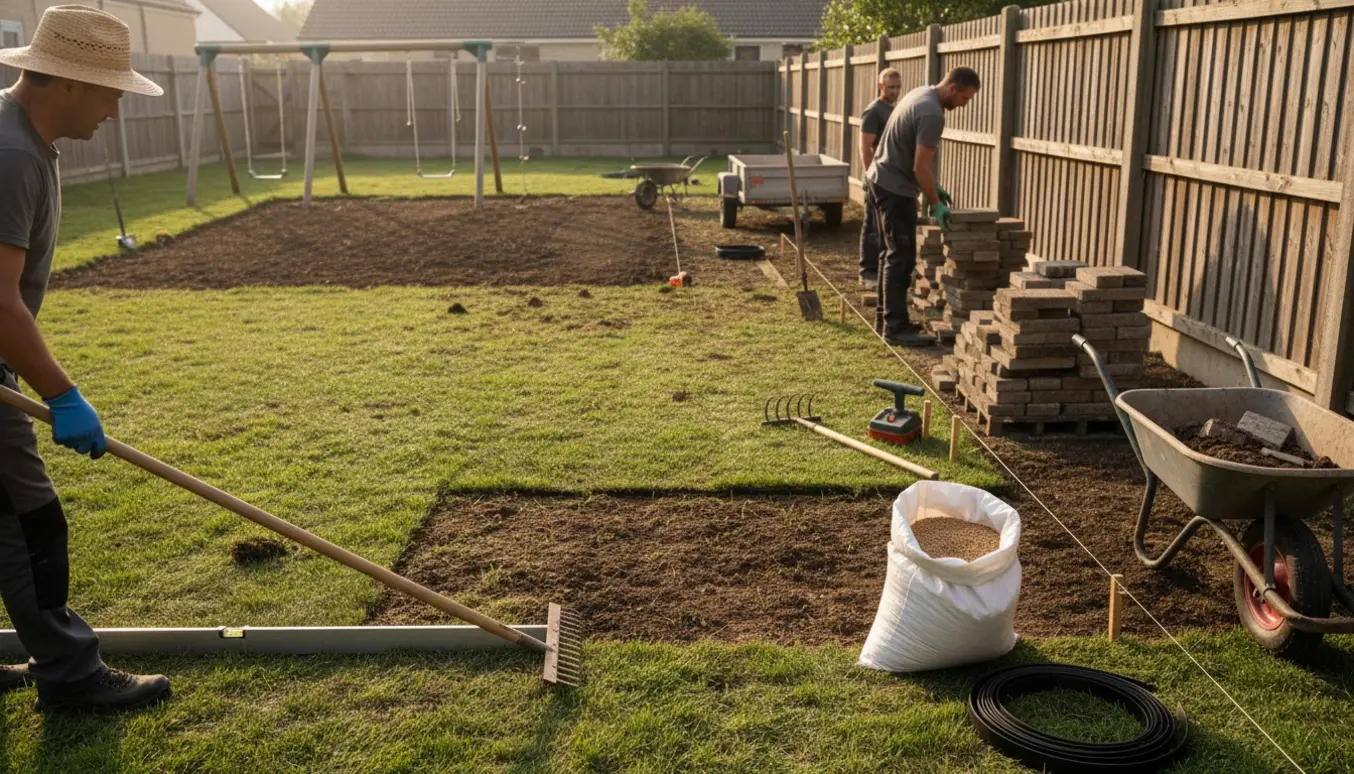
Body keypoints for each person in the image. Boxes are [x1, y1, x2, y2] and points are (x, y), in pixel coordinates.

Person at [0, 5, 172, 712]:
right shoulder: (11, 156)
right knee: (31, 518)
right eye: (110, 93)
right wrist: (63, 394)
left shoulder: (17, 141)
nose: (116, 110)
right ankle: (70, 674)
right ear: (66, 84)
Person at [864, 67, 980, 347]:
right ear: (953, 89)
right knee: (900, 257)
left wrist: (932, 187)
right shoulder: (932, 114)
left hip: (882, 179)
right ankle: (895, 328)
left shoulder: (921, 93)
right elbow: (920, 166)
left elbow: (913, 158)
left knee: (889, 253)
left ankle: (886, 318)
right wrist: (936, 203)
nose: (965, 104)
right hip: (894, 188)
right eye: (965, 98)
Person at [857, 68, 903, 286]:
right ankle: (867, 272)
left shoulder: (893, 109)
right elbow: (865, 146)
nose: (894, 91)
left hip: (890, 177)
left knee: (882, 224)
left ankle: (879, 270)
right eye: (890, 87)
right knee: (872, 224)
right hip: (876, 176)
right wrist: (869, 175)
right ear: (880, 87)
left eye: (897, 87)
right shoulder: (874, 111)